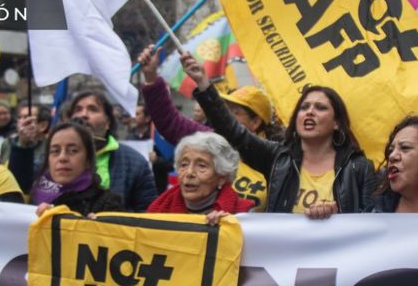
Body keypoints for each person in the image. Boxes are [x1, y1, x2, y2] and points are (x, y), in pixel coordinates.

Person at [181, 51, 376, 218]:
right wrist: (203, 83)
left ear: (336, 123)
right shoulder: (278, 158)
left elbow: (372, 222)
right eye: (304, 107)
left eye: (320, 108)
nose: (310, 112)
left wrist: (337, 214)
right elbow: (233, 131)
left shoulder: (359, 168)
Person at [137, 44, 272, 211]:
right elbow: (170, 122)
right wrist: (151, 77)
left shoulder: (276, 158)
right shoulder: (210, 141)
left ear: (256, 122)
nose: (224, 116)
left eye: (234, 113)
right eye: (225, 110)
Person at [68, 90, 157, 211]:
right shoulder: (53, 159)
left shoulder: (135, 163)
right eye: (78, 109)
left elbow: (147, 212)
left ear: (107, 122)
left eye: (93, 109)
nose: (83, 115)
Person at [147, 132, 253, 224]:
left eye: (201, 166)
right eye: (184, 164)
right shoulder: (158, 210)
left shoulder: (243, 215)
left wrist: (226, 227)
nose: (189, 172)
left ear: (222, 177)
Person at [32, 122, 123, 216]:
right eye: (55, 151)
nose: (62, 158)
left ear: (88, 159)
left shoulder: (107, 203)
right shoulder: (33, 195)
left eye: (73, 150)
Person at [4, 101, 51, 189]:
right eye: (20, 118)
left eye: (27, 118)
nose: (22, 122)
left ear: (43, 126)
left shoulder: (51, 147)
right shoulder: (7, 143)